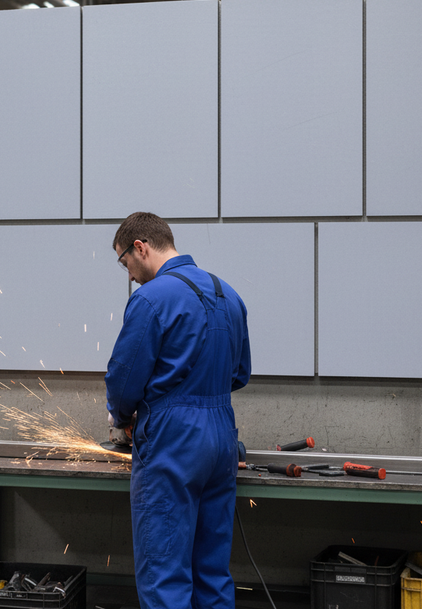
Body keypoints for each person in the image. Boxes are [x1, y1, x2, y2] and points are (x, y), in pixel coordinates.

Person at [105, 212, 251, 609]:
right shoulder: (228, 295)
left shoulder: (151, 299)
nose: (130, 276)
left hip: (173, 442)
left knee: (164, 573)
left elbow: (123, 380)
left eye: (125, 263)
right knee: (212, 572)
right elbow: (239, 375)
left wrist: (121, 418)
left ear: (141, 247)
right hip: (222, 439)